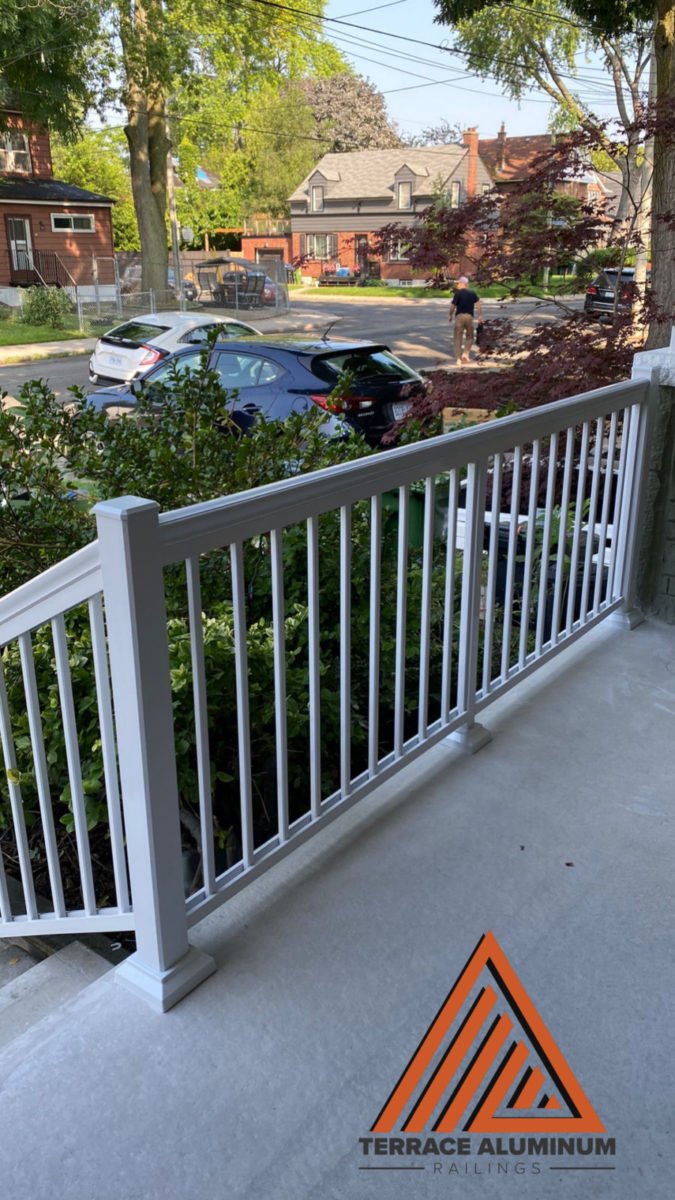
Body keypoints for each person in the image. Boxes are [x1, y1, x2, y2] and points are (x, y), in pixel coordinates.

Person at [449, 276, 482, 366]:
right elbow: (478, 304)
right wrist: (480, 316)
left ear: (463, 283)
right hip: (469, 317)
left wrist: (450, 315)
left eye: (458, 283)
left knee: (457, 337)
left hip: (459, 317)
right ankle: (465, 354)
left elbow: (453, 306)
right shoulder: (472, 293)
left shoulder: (458, 294)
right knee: (470, 336)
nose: (457, 285)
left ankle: (458, 359)